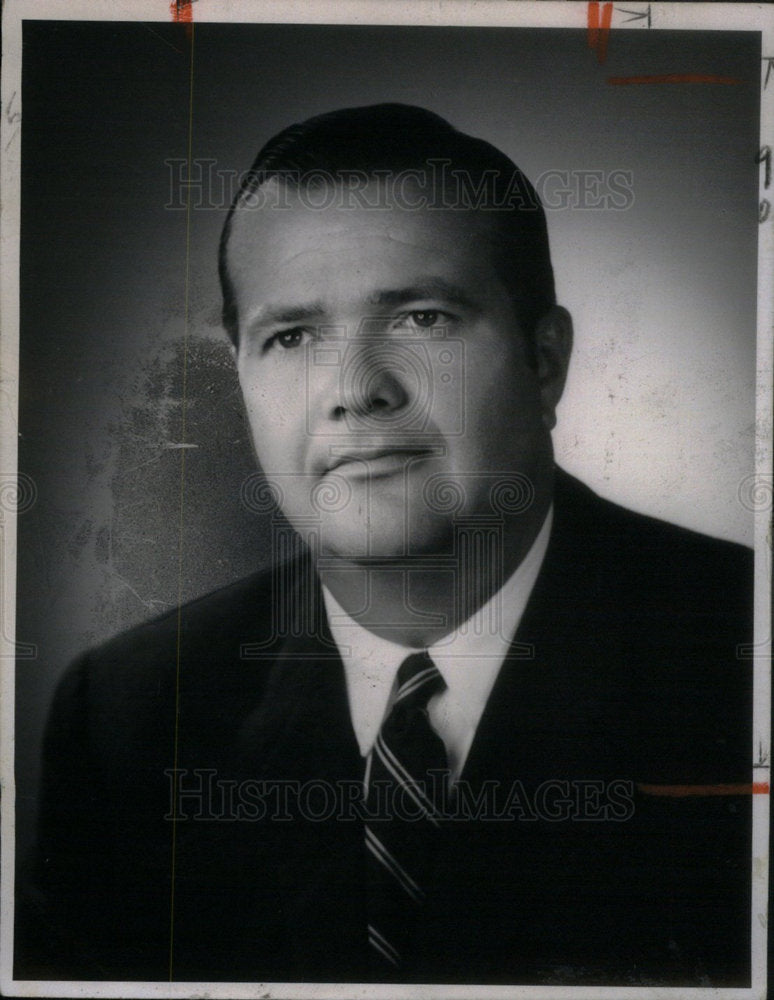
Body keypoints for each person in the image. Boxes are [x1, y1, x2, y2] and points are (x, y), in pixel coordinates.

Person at [17, 104, 752, 986]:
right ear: (242, 374)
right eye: (290, 337)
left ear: (544, 361)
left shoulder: (742, 660)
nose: (354, 391)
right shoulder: (129, 721)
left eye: (423, 319)